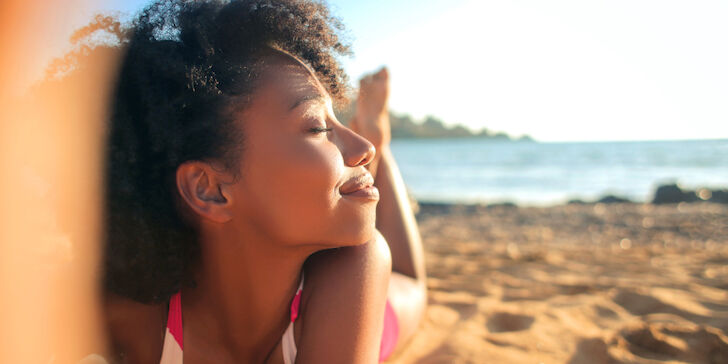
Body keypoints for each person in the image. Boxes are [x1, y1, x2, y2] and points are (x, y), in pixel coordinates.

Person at [99, 0, 426, 363]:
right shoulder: (133, 321)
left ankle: (385, 144)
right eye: (318, 126)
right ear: (210, 189)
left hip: (370, 321)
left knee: (412, 284)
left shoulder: (354, 265)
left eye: (335, 121)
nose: (362, 148)